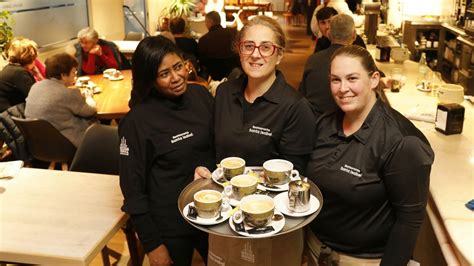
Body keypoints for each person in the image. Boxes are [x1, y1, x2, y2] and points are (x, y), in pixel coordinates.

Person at [194, 15, 315, 266]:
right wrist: (203, 170)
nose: (255, 54)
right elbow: (214, 149)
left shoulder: (295, 107)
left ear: (279, 55)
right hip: (225, 217)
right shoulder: (225, 93)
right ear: (239, 51)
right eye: (248, 46)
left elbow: (295, 176)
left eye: (266, 47)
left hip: (270, 223)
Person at [305, 45, 434, 265]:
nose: (342, 88)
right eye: (335, 80)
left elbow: (409, 220)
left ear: (374, 79)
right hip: (316, 249)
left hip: (363, 260)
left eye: (352, 78)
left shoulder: (402, 142)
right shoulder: (326, 123)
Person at [118, 36, 214, 266]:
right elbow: (132, 189)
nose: (176, 77)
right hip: (170, 225)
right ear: (149, 79)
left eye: (178, 67)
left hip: (212, 213)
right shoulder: (136, 122)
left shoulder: (201, 95)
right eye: (164, 74)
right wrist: (152, 245)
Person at [25, 53, 96, 147]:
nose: (75, 76)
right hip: (65, 144)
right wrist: (89, 97)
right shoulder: (68, 93)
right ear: (63, 75)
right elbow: (90, 110)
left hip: (40, 145)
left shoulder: (35, 86)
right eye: (74, 72)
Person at [300, 14, 356, 117]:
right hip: (344, 123)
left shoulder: (313, 59)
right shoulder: (357, 62)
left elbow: (303, 93)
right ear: (354, 35)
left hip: (312, 120)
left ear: (329, 34)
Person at [197, 11, 239, 80]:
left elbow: (202, 62)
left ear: (209, 22)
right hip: (235, 75)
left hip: (213, 78)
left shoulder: (203, 40)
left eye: (206, 22)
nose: (205, 24)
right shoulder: (233, 33)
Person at [0, 38, 38, 112]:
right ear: (31, 57)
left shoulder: (9, 69)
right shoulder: (19, 73)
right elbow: (37, 97)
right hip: (11, 117)